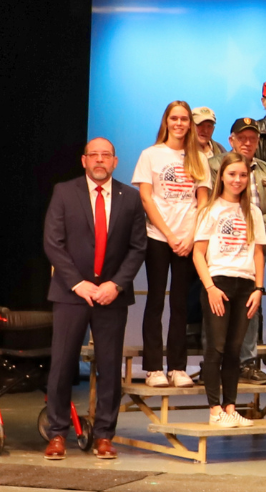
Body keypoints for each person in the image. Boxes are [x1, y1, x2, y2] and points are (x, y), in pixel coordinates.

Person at [43, 138, 147, 459]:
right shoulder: (64, 192)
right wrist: (78, 284)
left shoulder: (130, 198)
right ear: (84, 160)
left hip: (111, 297)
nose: (100, 160)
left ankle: (104, 434)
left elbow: (137, 247)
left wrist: (115, 284)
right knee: (62, 365)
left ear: (115, 161)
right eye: (94, 155)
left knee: (109, 367)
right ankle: (57, 433)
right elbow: (53, 243)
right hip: (71, 294)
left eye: (106, 156)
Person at [132, 100, 212, 387]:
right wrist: (169, 234)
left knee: (181, 304)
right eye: (174, 118)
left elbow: (203, 200)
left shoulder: (198, 157)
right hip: (158, 237)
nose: (179, 124)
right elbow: (146, 198)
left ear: (190, 124)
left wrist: (190, 236)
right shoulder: (150, 155)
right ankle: (153, 368)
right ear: (166, 121)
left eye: (184, 119)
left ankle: (177, 368)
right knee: (155, 301)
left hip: (187, 241)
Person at [192, 156, 266, 429]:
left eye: (243, 175)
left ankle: (230, 408)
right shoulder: (210, 210)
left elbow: (259, 253)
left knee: (235, 350)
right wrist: (210, 287)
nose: (237, 180)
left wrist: (259, 288)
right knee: (216, 348)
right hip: (218, 283)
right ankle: (214, 411)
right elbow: (198, 253)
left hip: (245, 285)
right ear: (222, 176)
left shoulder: (254, 212)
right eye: (232, 174)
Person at [210, 116, 266, 386]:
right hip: (220, 246)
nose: (247, 142)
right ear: (231, 140)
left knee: (252, 304)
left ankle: (247, 363)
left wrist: (255, 225)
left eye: (252, 138)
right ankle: (215, 366)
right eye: (241, 137)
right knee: (217, 307)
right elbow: (206, 201)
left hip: (254, 245)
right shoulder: (213, 166)